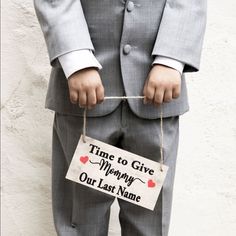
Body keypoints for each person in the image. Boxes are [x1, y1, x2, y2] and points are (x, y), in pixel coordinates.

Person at [34, 0, 207, 235]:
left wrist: (171, 58)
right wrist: (77, 59)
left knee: (149, 223)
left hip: (157, 97)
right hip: (83, 98)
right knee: (80, 220)